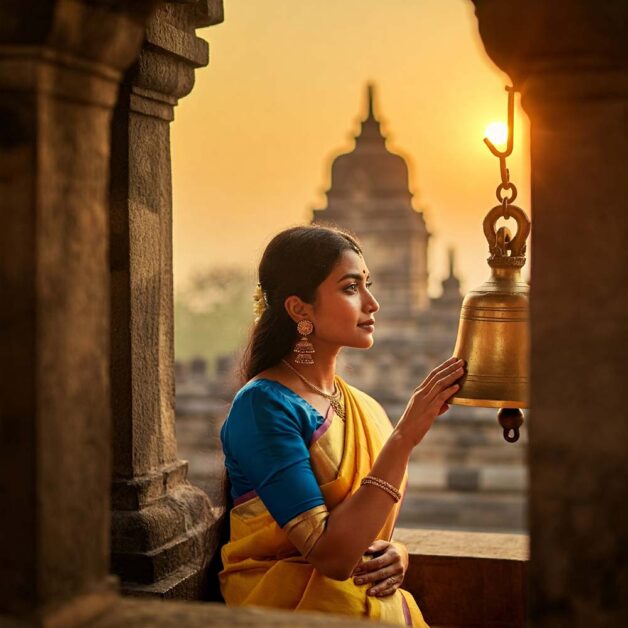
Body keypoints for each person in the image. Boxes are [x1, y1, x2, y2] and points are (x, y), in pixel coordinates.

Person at [218, 225, 464, 626]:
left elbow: (363, 531)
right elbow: (332, 557)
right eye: (351, 288)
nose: (373, 303)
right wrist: (404, 438)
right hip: (290, 613)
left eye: (368, 284)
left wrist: (394, 552)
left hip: (369, 606)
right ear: (300, 309)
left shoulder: (363, 407)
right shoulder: (263, 406)